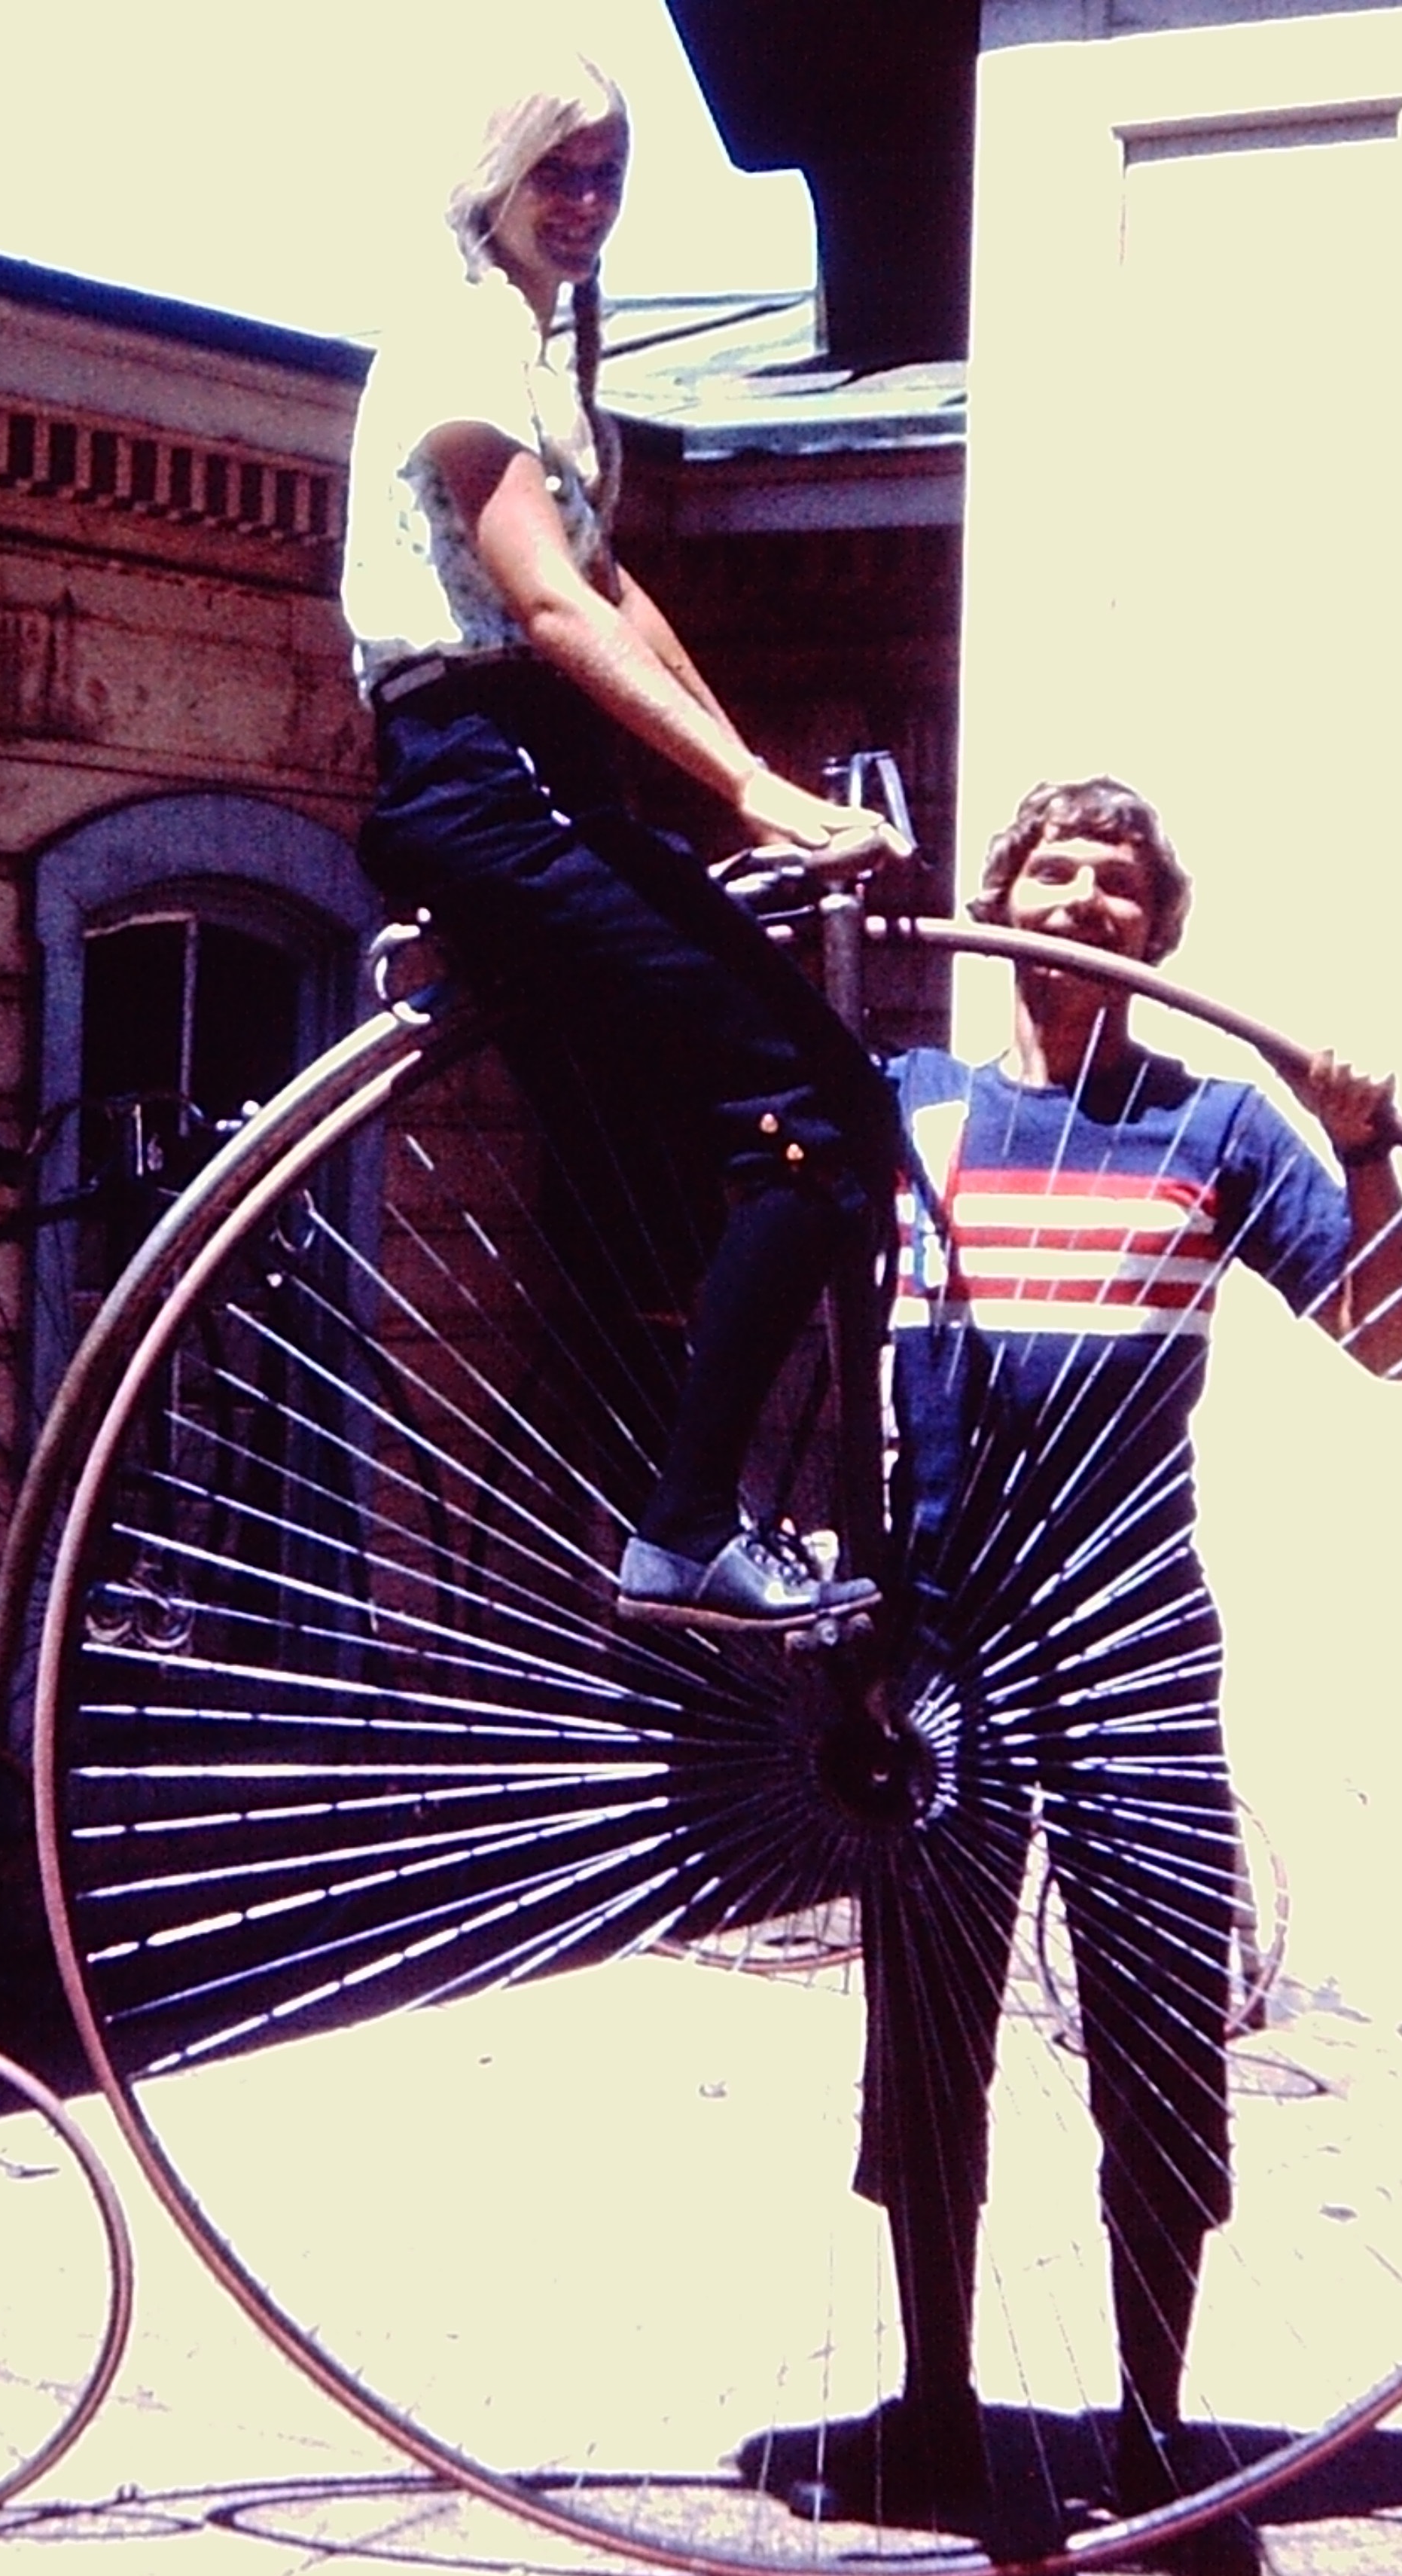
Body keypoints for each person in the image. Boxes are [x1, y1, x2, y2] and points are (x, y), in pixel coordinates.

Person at [740, 778, 1402, 2576]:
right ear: (1003, 896)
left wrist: (1360, 1151)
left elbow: (1401, 1339)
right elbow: (737, 1222)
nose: (1084, 899)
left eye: (1122, 884)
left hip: (1130, 1641)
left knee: (1152, 2027)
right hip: (937, 1640)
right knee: (931, 2044)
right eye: (1055, 867)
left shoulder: (1218, 1124)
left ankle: (1150, 2422)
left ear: (1159, 933)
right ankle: (936, 2405)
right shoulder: (907, 1105)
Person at [342, 54, 912, 1632]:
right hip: (485, 769)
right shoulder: (463, 336)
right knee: (822, 1108)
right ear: (495, 180)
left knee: (743, 1129)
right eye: (561, 173)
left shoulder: (543, 362)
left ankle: (666, 1499)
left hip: (547, 775)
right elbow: (541, 600)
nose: (587, 205)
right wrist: (751, 795)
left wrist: (752, 779)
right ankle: (678, 1531)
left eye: (609, 175)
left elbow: (619, 601)